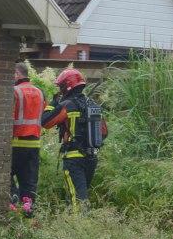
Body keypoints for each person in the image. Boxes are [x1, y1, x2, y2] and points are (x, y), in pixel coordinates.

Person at [41, 67, 104, 211]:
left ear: (66, 86)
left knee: (78, 200)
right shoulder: (93, 104)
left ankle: (81, 223)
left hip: (74, 159)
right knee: (80, 195)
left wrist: (53, 103)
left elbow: (45, 122)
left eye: (61, 87)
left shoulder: (67, 105)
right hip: (91, 158)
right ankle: (77, 221)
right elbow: (104, 132)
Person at [10, 61, 45, 217]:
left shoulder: (15, 91)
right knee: (29, 183)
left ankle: (12, 199)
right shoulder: (40, 92)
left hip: (16, 143)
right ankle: (28, 215)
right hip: (34, 145)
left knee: (5, 175)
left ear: (17, 74)